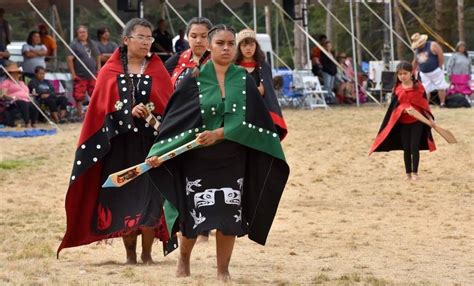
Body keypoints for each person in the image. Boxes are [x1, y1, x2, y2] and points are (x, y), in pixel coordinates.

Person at [146, 24, 289, 281]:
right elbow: (175, 120)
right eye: (220, 43)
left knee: (229, 215)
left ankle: (223, 270)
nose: (226, 48)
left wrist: (220, 134)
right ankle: (184, 260)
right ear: (209, 47)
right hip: (196, 158)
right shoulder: (194, 79)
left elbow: (251, 120)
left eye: (230, 43)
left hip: (231, 159)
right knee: (192, 213)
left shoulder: (243, 79)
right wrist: (161, 151)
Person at [57, 18, 174, 264]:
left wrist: (152, 117)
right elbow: (100, 110)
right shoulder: (110, 71)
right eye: (140, 37)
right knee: (124, 199)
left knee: (150, 198)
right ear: (126, 40)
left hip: (150, 146)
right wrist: (126, 114)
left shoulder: (157, 68)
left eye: (149, 37)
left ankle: (147, 254)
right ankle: (130, 255)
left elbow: (169, 105)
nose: (146, 42)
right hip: (118, 147)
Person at [369, 61, 436, 181]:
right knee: (406, 148)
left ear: (411, 73)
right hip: (403, 123)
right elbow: (394, 107)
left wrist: (430, 119)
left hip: (417, 122)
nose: (402, 76)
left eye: (405, 73)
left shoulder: (419, 87)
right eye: (399, 74)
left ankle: (415, 173)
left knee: (414, 146)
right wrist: (402, 110)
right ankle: (408, 174)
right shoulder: (397, 88)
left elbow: (424, 105)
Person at [235, 28, 287, 139]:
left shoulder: (263, 66)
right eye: (244, 45)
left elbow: (268, 92)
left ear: (256, 46)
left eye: (251, 44)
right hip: (240, 114)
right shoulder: (233, 68)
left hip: (261, 114)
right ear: (239, 47)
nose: (248, 48)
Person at [165, 17, 212, 88]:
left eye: (204, 36)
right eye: (194, 36)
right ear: (187, 38)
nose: (198, 40)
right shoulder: (175, 60)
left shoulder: (220, 61)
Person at [66, 25, 100, 118]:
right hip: (80, 74)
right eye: (80, 32)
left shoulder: (92, 43)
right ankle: (80, 113)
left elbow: (97, 56)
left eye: (84, 32)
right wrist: (73, 73)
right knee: (79, 96)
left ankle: (95, 112)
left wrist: (99, 69)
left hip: (92, 73)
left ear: (87, 33)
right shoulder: (74, 44)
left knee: (95, 93)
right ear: (77, 34)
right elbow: (69, 59)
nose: (82, 34)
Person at [411, 33, 449, 107]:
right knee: (425, 89)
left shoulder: (432, 45)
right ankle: (425, 105)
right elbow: (415, 61)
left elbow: (440, 55)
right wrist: (412, 71)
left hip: (435, 70)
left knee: (441, 87)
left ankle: (442, 103)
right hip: (424, 73)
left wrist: (440, 67)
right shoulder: (417, 50)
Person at [0, 62, 38, 127]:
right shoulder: (6, 82)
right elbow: (3, 95)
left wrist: (31, 95)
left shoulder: (22, 83)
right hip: (13, 101)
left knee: (35, 103)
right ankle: (27, 122)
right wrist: (14, 97)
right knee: (23, 103)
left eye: (17, 72)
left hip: (26, 99)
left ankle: (33, 122)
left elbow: (25, 93)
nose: (15, 74)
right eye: (12, 73)